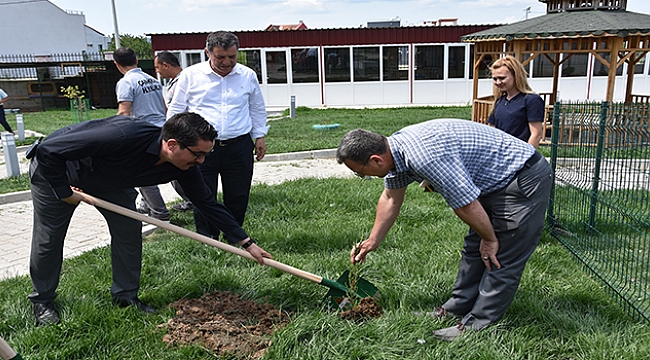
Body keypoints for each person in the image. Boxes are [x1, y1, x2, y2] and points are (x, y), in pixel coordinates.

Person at [29, 112, 272, 326]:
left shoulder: (182, 166)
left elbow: (207, 202)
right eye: (198, 154)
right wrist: (64, 192)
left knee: (128, 234)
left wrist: (246, 242)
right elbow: (50, 150)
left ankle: (125, 297)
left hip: (110, 181)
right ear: (173, 144)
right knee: (49, 239)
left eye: (206, 155)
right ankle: (43, 301)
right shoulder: (123, 135)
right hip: (58, 173)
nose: (202, 162)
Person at [336, 119, 552, 341]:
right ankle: (457, 307)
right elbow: (391, 198)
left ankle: (476, 326)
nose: (362, 177)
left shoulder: (424, 157)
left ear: (375, 159)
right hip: (493, 182)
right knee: (473, 249)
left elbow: (466, 204)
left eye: (360, 172)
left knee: (501, 255)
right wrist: (373, 241)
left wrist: (489, 238)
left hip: (521, 177)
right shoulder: (395, 153)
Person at [167, 31, 269, 240]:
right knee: (203, 194)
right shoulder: (190, 75)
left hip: (238, 146)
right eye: (220, 57)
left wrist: (259, 136)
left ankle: (235, 237)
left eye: (232, 56)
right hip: (199, 149)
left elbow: (256, 107)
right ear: (207, 52)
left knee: (238, 195)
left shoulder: (247, 75)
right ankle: (208, 238)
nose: (227, 62)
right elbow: (176, 109)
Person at [114, 47, 171, 222]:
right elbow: (164, 106)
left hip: (143, 133)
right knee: (172, 168)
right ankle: (148, 205)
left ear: (116, 64)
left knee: (141, 173)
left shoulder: (126, 82)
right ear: (136, 60)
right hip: (162, 129)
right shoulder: (152, 80)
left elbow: (124, 112)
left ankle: (160, 213)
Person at [154, 51, 193, 212]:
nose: (157, 71)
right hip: (176, 131)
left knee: (180, 168)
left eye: (158, 67)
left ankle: (191, 200)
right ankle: (191, 199)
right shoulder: (173, 81)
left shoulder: (183, 81)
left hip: (183, 132)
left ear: (166, 65)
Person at [488, 55, 545, 148]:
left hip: (518, 155)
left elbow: (536, 134)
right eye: (495, 79)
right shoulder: (499, 101)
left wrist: (525, 158)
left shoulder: (531, 100)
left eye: (502, 78)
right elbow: (491, 129)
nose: (498, 82)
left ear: (516, 76)